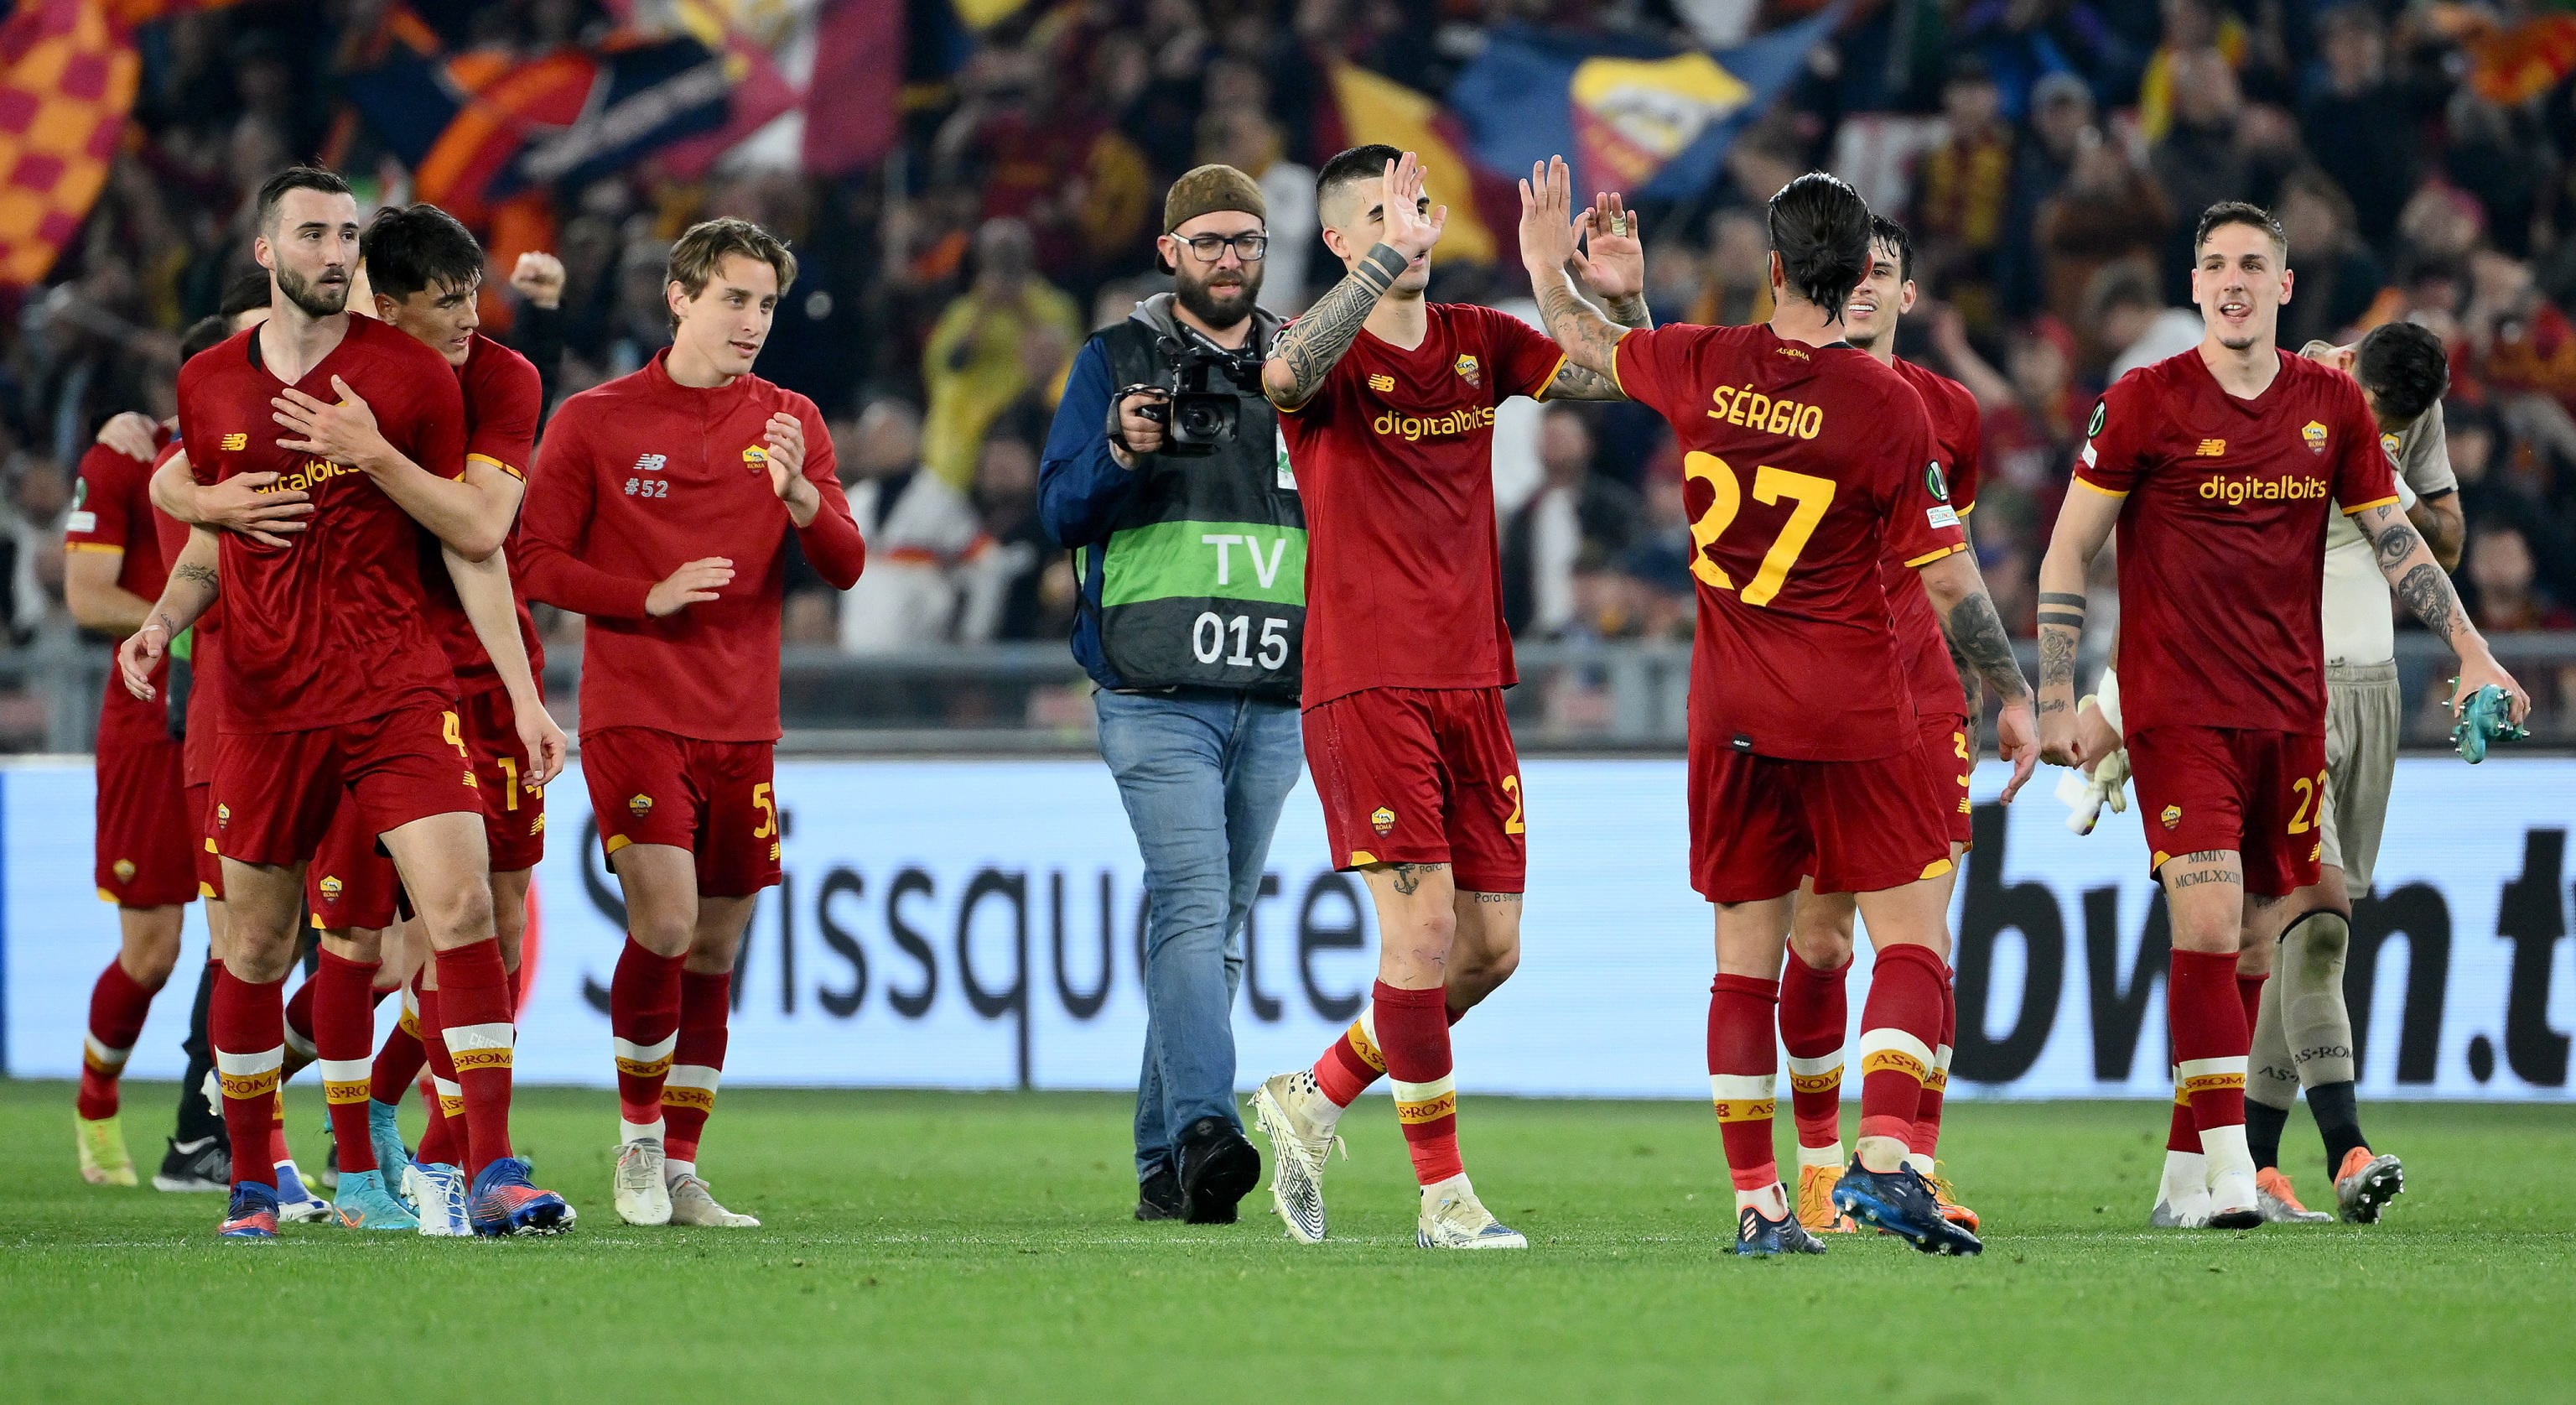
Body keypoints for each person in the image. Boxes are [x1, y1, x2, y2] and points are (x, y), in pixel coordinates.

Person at [1521, 161, 2033, 1257]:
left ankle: (1758, 1203)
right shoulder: (1890, 407)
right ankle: (1887, 1156)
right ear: (1858, 281)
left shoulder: (1705, 358)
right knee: (1911, 940)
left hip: (1730, 709)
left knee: (1742, 964)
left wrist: (1551, 268)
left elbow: (1591, 348)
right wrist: (2016, 688)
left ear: (1770, 269)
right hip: (1853, 708)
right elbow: (1949, 581)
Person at [2034, 201, 2526, 1230]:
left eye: (2254, 264)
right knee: (2210, 922)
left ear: (2286, 286)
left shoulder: (2332, 408)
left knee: (2258, 946)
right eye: (2215, 263)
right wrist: (2056, 693)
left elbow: (2398, 539)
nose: (2233, 280)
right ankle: (2228, 1179)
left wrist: (2473, 646)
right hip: (2181, 711)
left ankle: (2179, 1179)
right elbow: (2070, 546)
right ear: (2197, 282)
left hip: (2292, 712)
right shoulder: (2141, 400)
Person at [116, 166, 569, 1240]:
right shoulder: (214, 386)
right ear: (269, 253)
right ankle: (251, 1182)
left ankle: (492, 1164)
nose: (330, 249)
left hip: (398, 686)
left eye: (344, 232)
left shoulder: (415, 381)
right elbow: (213, 535)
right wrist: (160, 620)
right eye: (312, 232)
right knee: (258, 949)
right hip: (268, 702)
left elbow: (471, 538)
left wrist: (521, 696)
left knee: (462, 912)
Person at [1244, 146, 1645, 1251]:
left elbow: (1613, 375)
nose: (1403, 223)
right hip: (1367, 677)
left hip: (1474, 674)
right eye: (1376, 212)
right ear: (1337, 239)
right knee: (1419, 936)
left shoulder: (1480, 339)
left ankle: (1317, 1092)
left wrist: (1603, 292)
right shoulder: (1318, 347)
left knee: (1490, 950)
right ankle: (1444, 1199)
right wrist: (1377, 270)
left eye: (1413, 205)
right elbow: (1280, 381)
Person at [517, 217, 866, 1231]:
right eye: (734, 299)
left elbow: (844, 562)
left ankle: (679, 1165)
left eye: (765, 304)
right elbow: (533, 558)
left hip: (743, 721)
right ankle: (632, 1145)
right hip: (636, 709)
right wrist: (647, 594)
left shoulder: (791, 417)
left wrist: (802, 491)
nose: (753, 321)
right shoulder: (596, 418)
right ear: (679, 297)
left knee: (715, 947)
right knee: (664, 921)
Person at [2072, 320, 2462, 1225]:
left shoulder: (2397, 411)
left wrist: (2391, 488)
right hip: (2265, 690)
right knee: (2290, 923)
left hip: (2365, 697)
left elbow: (2441, 537)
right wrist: (2112, 701)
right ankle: (2309, 1155)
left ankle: (2220, 1167)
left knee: (2273, 936)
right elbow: (2177, 570)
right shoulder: (2274, 409)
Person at [259, 202, 557, 1234]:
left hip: (472, 669)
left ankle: (414, 1130)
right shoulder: (312, 372)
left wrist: (525, 697)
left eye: (476, 296)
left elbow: (480, 529)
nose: (472, 319)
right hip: (351, 684)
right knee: (356, 941)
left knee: (490, 923)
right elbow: (204, 456)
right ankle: (337, 1151)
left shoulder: (503, 381)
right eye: (446, 304)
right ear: (383, 306)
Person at [1037, 164, 1304, 1224]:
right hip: (1156, 691)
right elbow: (1058, 509)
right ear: (1170, 252)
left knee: (1219, 924)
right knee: (1196, 907)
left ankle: (1165, 1168)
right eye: (1208, 242)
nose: (1229, 258)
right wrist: (1120, 448)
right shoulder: (1115, 359)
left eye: (1245, 240)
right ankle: (1207, 1125)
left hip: (1278, 688)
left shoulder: (1302, 361)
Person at [1777, 216, 1989, 1237]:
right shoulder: (1783, 389)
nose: (1866, 286)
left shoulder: (1950, 413)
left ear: (1908, 296)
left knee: (1924, 936)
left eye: (1886, 273)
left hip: (1925, 702)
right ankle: (1821, 1165)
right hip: (1823, 697)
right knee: (1819, 940)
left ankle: (1909, 1160)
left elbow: (1946, 560)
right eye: (1853, 270)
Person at [65, 366, 198, 1189]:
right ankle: (96, 1101)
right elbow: (85, 597)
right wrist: (184, 617)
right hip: (153, 726)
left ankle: (227, 1138)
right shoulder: (128, 457)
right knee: (153, 953)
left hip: (265, 719)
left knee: (261, 940)